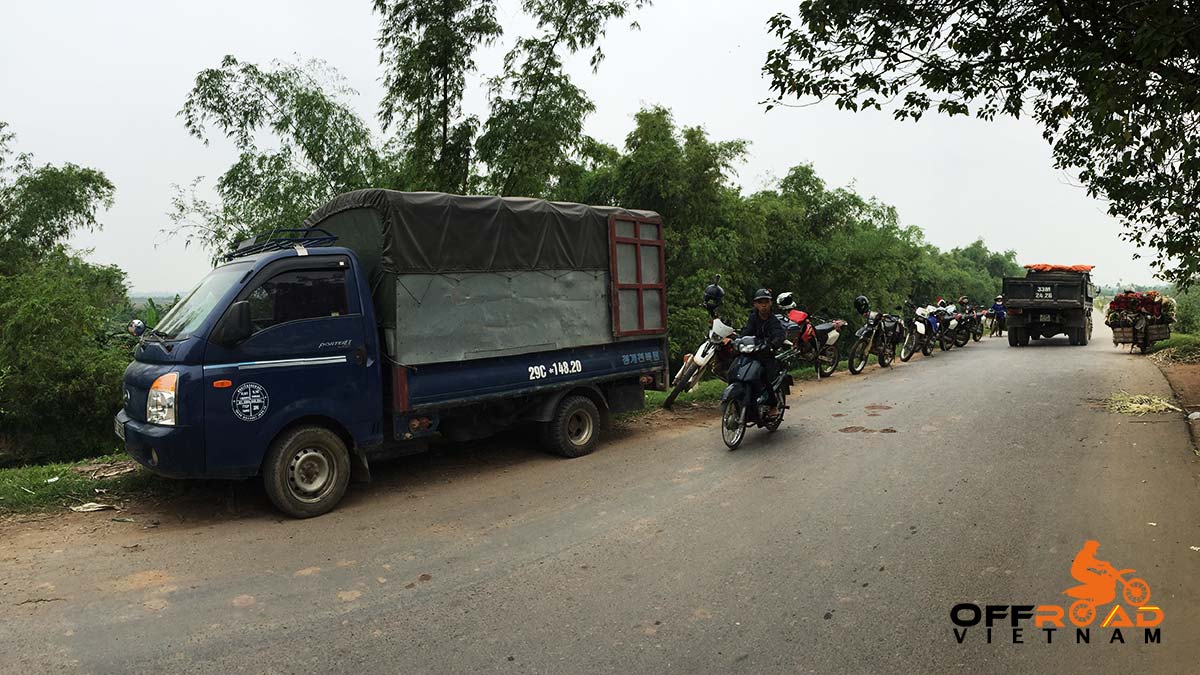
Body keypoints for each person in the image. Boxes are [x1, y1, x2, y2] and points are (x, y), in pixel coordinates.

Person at [727, 288, 786, 418]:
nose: (763, 305)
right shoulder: (753, 317)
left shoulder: (773, 320)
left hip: (766, 354)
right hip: (752, 352)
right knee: (734, 367)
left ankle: (773, 405)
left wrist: (772, 344)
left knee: (765, 377)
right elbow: (747, 331)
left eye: (766, 302)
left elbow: (779, 334)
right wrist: (738, 341)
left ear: (770, 303)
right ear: (755, 304)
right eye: (760, 302)